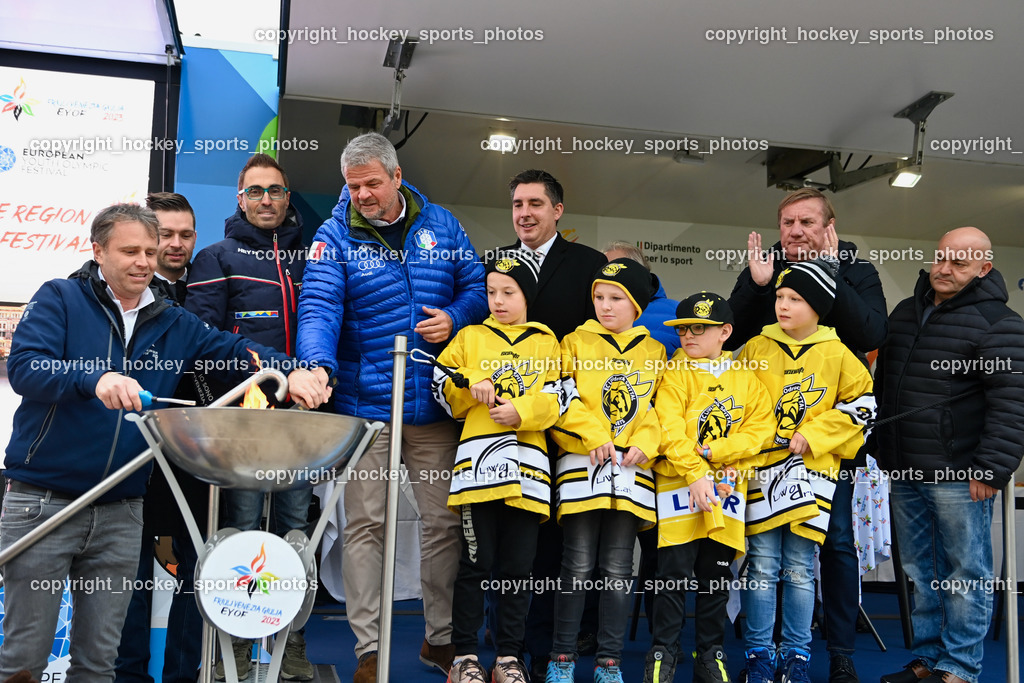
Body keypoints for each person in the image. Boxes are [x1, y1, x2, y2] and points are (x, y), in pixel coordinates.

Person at [0, 203, 328, 683]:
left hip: (122, 507)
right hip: (45, 502)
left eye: (149, 252)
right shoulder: (60, 297)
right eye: (130, 250)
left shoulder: (173, 320)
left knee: (97, 664)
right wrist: (95, 380)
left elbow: (236, 350)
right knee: (24, 659)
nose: (144, 262)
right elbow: (27, 367)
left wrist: (292, 369)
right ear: (98, 251)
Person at [297, 132, 487, 683]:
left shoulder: (442, 223)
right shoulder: (333, 236)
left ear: (397, 177)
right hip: (367, 408)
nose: (363, 195)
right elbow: (319, 305)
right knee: (365, 529)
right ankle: (368, 649)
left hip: (432, 409)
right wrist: (315, 364)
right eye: (353, 186)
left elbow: (476, 286)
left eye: (372, 184)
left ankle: (441, 638)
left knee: (444, 525)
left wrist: (455, 316)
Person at [727, 189, 886, 683]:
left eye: (806, 222)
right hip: (765, 452)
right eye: (787, 222)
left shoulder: (855, 267)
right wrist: (757, 287)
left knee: (834, 545)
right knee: (764, 555)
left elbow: (871, 334)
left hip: (827, 450)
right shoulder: (764, 267)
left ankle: (836, 650)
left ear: (828, 226)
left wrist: (834, 277)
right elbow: (732, 337)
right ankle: (760, 648)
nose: (795, 231)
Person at [874, 228, 1024, 683]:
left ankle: (959, 668)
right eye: (941, 258)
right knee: (922, 568)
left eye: (959, 263)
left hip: (962, 473)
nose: (943, 268)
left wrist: (993, 468)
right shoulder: (905, 312)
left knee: (964, 572)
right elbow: (885, 387)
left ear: (984, 268)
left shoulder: (1001, 323)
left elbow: (1013, 401)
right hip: (904, 467)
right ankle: (928, 660)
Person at [185, 154, 313, 680]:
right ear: (240, 198)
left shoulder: (313, 257)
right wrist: (265, 371)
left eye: (276, 191)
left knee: (295, 534)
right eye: (256, 191)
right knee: (241, 534)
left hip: (304, 423)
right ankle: (234, 649)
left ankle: (291, 645)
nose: (266, 200)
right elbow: (203, 343)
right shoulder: (215, 257)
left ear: (287, 198)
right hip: (242, 423)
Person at [497, 170, 607, 678]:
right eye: (518, 203)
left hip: (568, 424)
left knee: (557, 544)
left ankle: (549, 651)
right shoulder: (496, 263)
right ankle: (507, 650)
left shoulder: (591, 266)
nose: (525, 213)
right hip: (503, 428)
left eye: (536, 204)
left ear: (557, 211)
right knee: (510, 545)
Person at [433, 253, 561, 683]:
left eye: (509, 292)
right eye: (491, 292)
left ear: (529, 295)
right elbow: (441, 383)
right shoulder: (469, 337)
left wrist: (522, 411)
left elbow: (559, 399)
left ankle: (508, 657)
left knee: (518, 569)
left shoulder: (548, 343)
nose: (498, 300)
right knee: (474, 563)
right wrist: (470, 383)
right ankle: (464, 657)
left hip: (529, 477)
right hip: (476, 476)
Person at [642, 293, 775, 683]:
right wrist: (696, 474)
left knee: (716, 575)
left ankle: (710, 654)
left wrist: (724, 453)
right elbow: (668, 430)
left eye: (699, 328)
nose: (688, 335)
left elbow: (762, 430)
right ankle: (662, 654)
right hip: (678, 485)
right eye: (682, 328)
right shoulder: (672, 373)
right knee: (672, 575)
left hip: (726, 488)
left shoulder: (747, 379)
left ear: (725, 332)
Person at [544, 259, 665, 683]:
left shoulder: (654, 351)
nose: (605, 306)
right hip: (582, 467)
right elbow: (562, 395)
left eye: (616, 298)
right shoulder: (573, 342)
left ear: (636, 305)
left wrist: (644, 445)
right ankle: (561, 657)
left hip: (632, 476)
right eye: (599, 297)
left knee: (618, 570)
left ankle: (608, 661)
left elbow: (657, 410)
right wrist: (595, 435)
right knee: (575, 565)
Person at [115, 192, 206, 683]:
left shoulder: (210, 286)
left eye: (184, 234)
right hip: (131, 461)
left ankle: (181, 675)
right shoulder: (108, 296)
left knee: (193, 573)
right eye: (162, 236)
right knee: (130, 577)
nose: (173, 245)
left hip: (195, 461)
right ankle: (128, 675)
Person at [602, 241, 680, 356]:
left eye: (617, 267)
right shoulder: (593, 309)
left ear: (640, 271)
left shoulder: (678, 312)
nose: (608, 274)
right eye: (604, 268)